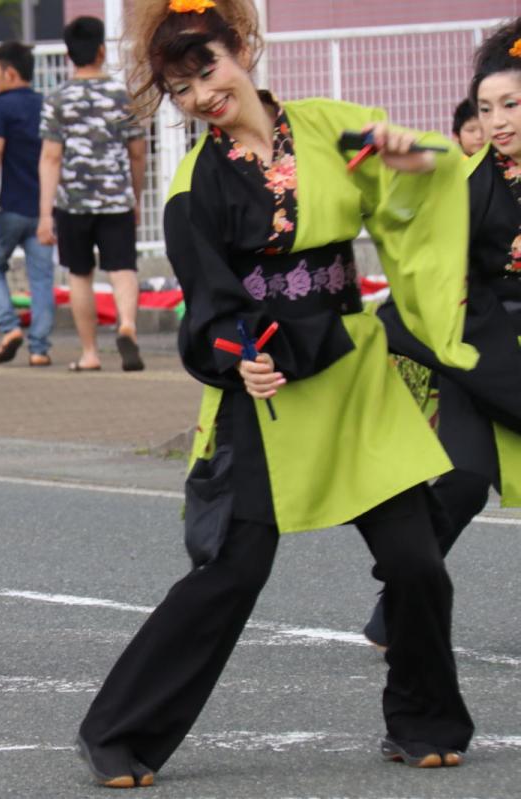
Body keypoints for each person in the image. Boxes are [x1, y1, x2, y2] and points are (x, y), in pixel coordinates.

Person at [75, 0, 477, 787]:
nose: (200, 95)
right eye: (179, 87)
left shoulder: (331, 127)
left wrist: (413, 160)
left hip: (353, 374)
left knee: (416, 560)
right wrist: (236, 356)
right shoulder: (197, 181)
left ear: (241, 49)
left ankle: (422, 719)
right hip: (268, 379)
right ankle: (118, 731)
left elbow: (419, 175)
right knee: (234, 569)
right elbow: (209, 302)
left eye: (208, 69)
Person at [363, 18, 521, 650]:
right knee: (462, 475)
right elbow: (420, 250)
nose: (498, 120)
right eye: (486, 108)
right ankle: (403, 584)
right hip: (455, 339)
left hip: (502, 347)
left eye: (511, 104)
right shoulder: (464, 179)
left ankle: (396, 599)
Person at [39, 16, 147, 372]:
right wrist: (136, 194)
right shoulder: (121, 96)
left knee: (80, 274)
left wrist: (45, 214)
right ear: (102, 50)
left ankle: (90, 354)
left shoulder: (58, 98)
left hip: (73, 204)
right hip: (116, 198)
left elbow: (51, 157)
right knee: (122, 268)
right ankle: (127, 324)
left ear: (70, 55)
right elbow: (137, 151)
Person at [0, 41, 56, 367]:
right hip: (43, 210)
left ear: (10, 73)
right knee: (42, 279)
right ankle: (39, 349)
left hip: (9, 207)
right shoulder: (46, 104)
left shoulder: (1, 107)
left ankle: (9, 327)